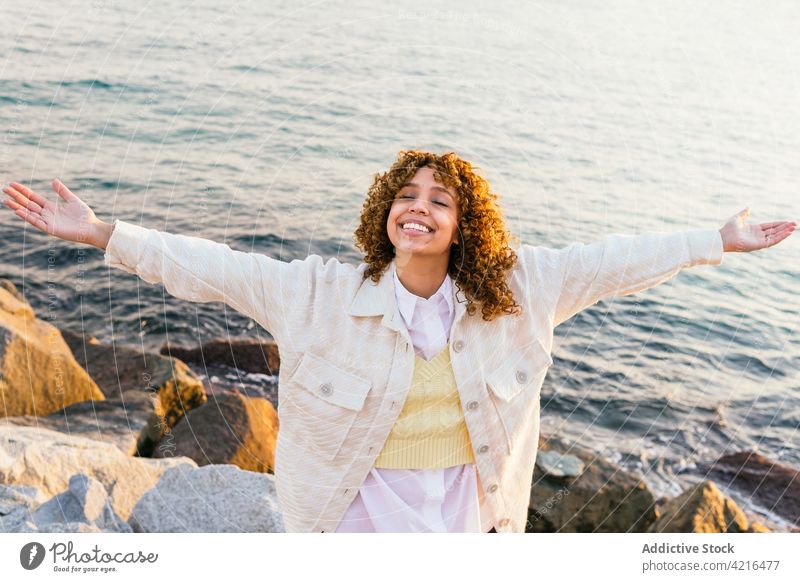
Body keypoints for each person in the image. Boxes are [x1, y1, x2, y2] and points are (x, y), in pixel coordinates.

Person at [2, 150, 796, 533]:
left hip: (466, 518)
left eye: (439, 201)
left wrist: (716, 241)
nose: (418, 208)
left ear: (463, 226)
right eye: (406, 195)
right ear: (385, 210)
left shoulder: (521, 293)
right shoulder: (317, 294)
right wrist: (103, 233)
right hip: (350, 519)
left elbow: (614, 262)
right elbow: (210, 269)